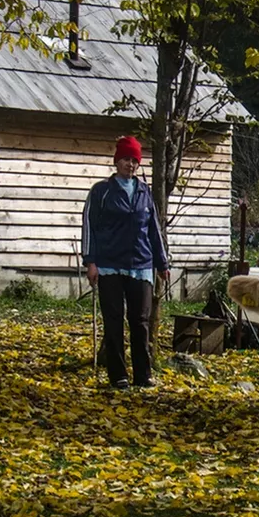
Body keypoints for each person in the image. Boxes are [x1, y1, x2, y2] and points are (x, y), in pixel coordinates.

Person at [81, 136, 170, 389]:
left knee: (140, 321)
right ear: (116, 161)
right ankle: (118, 375)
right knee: (113, 320)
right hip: (109, 264)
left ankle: (143, 375)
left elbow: (154, 229)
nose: (130, 164)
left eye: (134, 160)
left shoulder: (144, 191)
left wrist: (162, 263)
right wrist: (91, 261)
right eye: (125, 159)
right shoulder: (101, 191)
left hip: (141, 264)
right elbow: (89, 225)